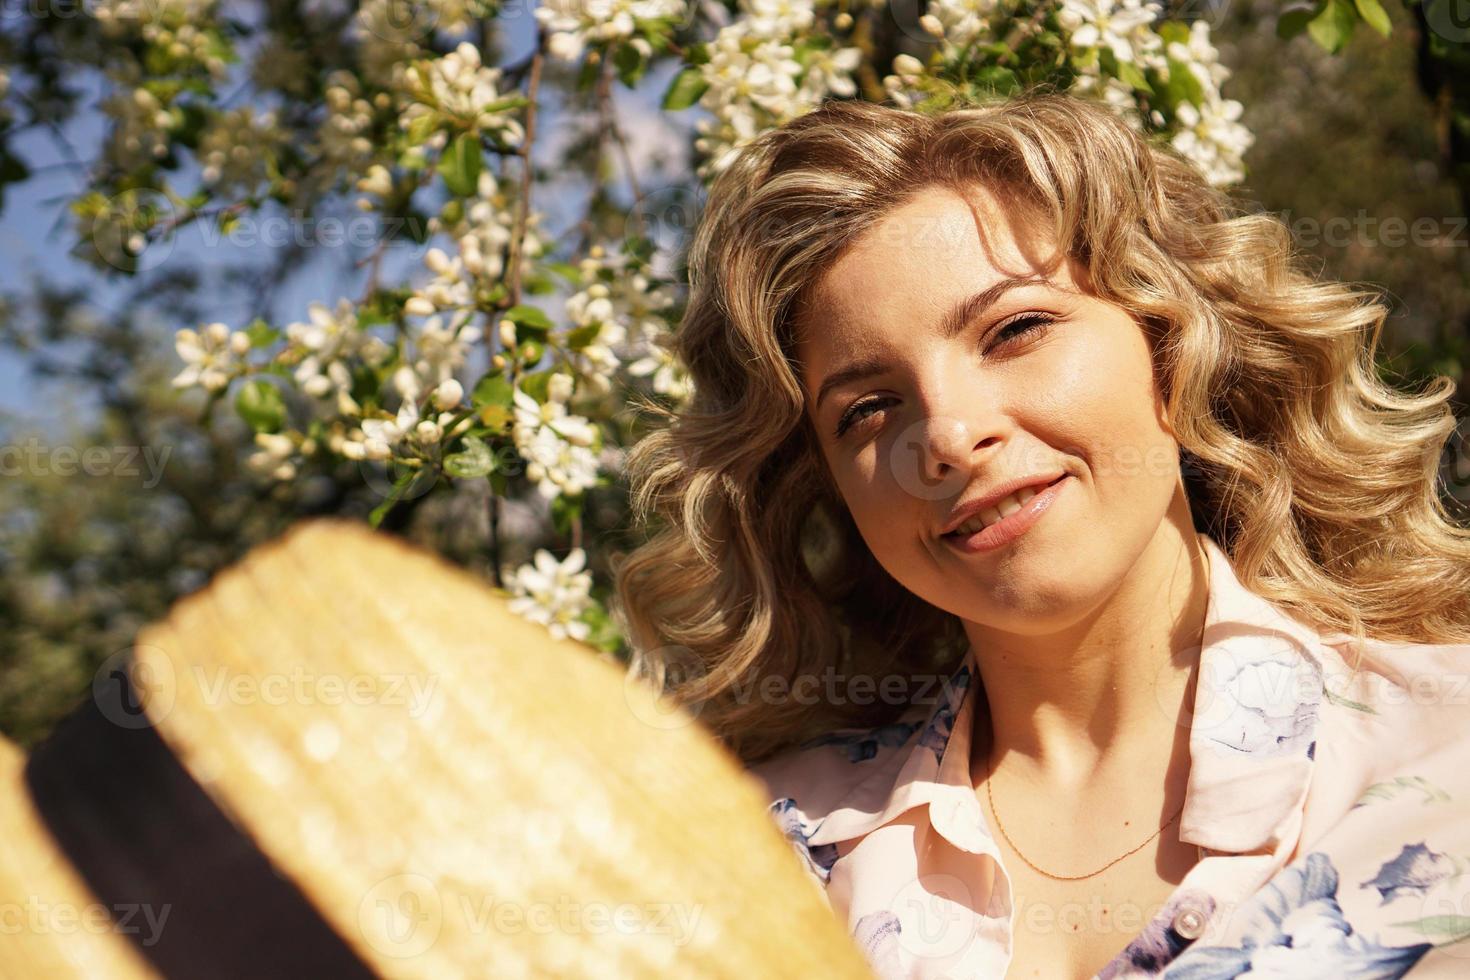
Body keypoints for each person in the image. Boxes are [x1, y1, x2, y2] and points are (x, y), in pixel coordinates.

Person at [611, 89, 1470, 979]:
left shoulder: (1448, 757)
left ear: (1173, 346)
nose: (945, 435)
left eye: (1016, 329)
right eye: (867, 409)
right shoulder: (755, 856)